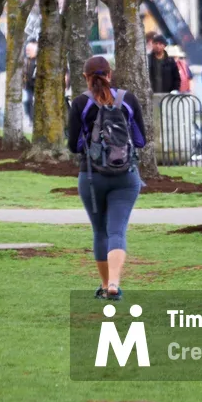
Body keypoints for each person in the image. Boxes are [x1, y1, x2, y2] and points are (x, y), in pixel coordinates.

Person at [68, 56, 146, 301]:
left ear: (85, 77)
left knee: (100, 231)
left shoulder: (80, 103)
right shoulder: (128, 99)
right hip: (126, 176)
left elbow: (74, 145)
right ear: (110, 74)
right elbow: (141, 140)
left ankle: (104, 286)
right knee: (117, 231)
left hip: (91, 177)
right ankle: (114, 282)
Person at [22, 40, 38, 121]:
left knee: (35, 103)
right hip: (28, 86)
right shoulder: (25, 60)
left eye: (29, 50)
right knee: (27, 102)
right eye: (27, 50)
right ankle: (31, 119)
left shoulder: (39, 61)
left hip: (37, 86)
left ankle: (34, 120)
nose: (27, 52)